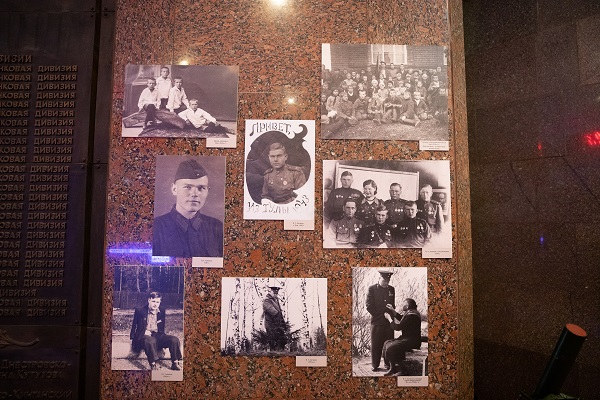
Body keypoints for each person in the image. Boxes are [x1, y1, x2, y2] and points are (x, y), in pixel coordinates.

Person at [153, 159, 224, 257]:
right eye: (188, 187)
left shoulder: (216, 227)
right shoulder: (156, 228)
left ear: (207, 191)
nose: (194, 194)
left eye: (201, 188)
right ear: (174, 189)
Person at [130, 291, 183, 371]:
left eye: (157, 302)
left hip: (157, 335)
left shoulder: (161, 310)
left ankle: (175, 363)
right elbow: (134, 326)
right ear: (149, 300)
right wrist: (135, 338)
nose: (155, 304)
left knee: (174, 340)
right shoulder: (140, 311)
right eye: (153, 301)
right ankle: (153, 365)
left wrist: (162, 338)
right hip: (144, 336)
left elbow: (161, 327)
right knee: (150, 341)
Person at [382, 298, 422, 376]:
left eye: (404, 304)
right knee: (386, 343)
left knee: (391, 347)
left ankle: (403, 370)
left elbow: (398, 327)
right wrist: (393, 311)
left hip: (412, 340)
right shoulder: (412, 313)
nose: (402, 305)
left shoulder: (412, 315)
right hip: (408, 338)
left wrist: (389, 319)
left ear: (407, 306)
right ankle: (392, 368)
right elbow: (402, 320)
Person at [366, 270, 395, 372]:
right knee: (376, 344)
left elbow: (393, 304)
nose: (386, 283)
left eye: (388, 281)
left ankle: (388, 364)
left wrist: (391, 309)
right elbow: (369, 306)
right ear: (379, 278)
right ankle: (375, 365)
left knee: (389, 344)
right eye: (384, 281)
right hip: (377, 322)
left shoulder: (391, 289)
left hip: (389, 322)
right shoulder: (372, 289)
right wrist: (381, 315)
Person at [263, 282, 286, 351]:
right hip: (271, 325)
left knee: (280, 342)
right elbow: (273, 312)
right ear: (271, 292)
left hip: (277, 324)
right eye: (274, 293)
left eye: (277, 293)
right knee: (273, 342)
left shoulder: (276, 300)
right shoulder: (267, 300)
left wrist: (283, 324)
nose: (276, 295)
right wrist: (279, 322)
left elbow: (280, 313)